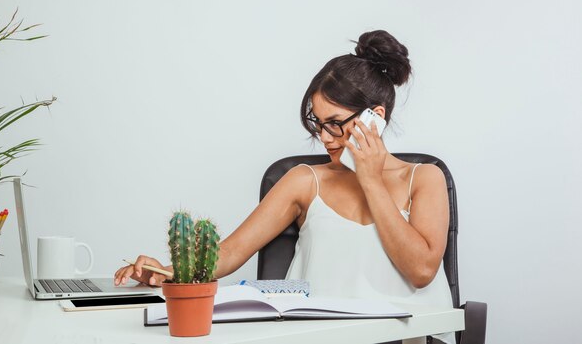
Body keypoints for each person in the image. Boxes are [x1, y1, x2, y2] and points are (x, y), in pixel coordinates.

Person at [114, 30, 455, 344]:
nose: (324, 137)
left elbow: (421, 270)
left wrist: (370, 180)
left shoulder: (425, 177)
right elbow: (231, 252)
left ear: (375, 117)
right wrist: (167, 272)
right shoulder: (304, 181)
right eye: (318, 124)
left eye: (335, 124)